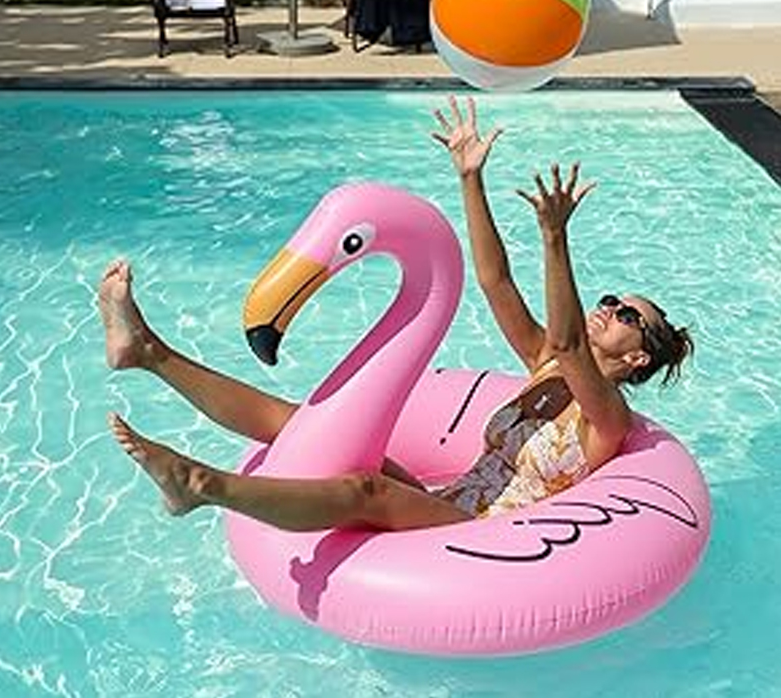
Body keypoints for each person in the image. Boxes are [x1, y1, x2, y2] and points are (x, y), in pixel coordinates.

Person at [103, 96, 693, 532]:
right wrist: (470, 178)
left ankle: (204, 486)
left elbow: (569, 345)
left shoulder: (607, 417)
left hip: (484, 535)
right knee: (309, 422)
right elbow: (495, 282)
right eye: (610, 300)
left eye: (626, 315)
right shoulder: (547, 366)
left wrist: (554, 237)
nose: (608, 309)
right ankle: (148, 351)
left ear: (638, 358)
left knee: (367, 488)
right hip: (447, 502)